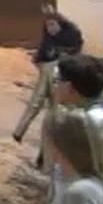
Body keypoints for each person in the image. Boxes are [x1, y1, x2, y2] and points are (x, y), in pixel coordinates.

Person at [12, 9, 85, 144]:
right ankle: (20, 132)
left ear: (60, 24)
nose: (50, 29)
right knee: (37, 103)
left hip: (62, 79)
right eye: (47, 26)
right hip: (47, 73)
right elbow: (40, 57)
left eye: (52, 25)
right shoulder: (48, 39)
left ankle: (39, 142)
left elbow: (75, 55)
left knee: (51, 108)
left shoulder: (72, 35)